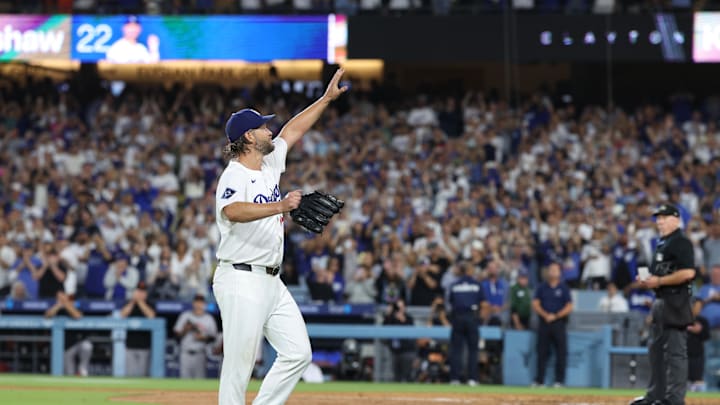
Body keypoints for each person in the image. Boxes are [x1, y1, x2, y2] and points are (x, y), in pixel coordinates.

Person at [212, 69, 347, 405]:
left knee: (298, 353)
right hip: (240, 277)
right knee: (239, 367)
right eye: (261, 126)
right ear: (247, 138)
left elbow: (293, 129)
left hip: (271, 280)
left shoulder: (269, 163)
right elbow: (232, 211)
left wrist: (326, 99)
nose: (269, 129)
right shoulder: (235, 174)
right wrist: (280, 206)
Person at [630, 204, 696, 405]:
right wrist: (647, 280)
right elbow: (657, 275)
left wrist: (658, 281)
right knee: (656, 351)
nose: (659, 221)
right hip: (660, 301)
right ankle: (655, 396)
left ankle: (674, 400)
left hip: (676, 300)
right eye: (658, 218)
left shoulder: (681, 242)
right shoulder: (662, 244)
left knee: (675, 353)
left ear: (676, 220)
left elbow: (688, 273)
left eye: (664, 217)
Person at [532, 262, 573, 388]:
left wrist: (556, 315)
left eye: (555, 270)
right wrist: (545, 315)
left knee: (561, 352)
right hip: (544, 323)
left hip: (559, 323)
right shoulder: (541, 287)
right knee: (541, 352)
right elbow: (535, 303)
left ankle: (559, 381)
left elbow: (569, 306)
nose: (553, 272)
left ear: (559, 272)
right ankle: (540, 381)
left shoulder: (564, 288)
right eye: (551, 269)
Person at [447, 262, 487, 386]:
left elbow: (451, 302)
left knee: (456, 350)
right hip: (472, 317)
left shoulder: (455, 285)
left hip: (458, 317)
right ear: (469, 271)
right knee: (473, 350)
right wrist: (480, 320)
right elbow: (484, 304)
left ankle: (455, 378)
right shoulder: (476, 285)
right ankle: (472, 379)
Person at [173, 294, 218, 378]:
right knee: (184, 381)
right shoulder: (185, 316)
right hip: (185, 353)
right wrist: (186, 329)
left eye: (201, 302)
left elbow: (213, 337)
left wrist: (203, 338)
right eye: (197, 302)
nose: (198, 305)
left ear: (204, 304)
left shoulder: (209, 318)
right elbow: (176, 336)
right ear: (193, 303)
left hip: (200, 354)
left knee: (200, 381)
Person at [120, 281, 156, 377]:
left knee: (143, 375)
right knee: (130, 375)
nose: (140, 293)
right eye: (139, 291)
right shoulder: (129, 303)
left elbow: (151, 316)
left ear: (146, 293)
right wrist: (133, 302)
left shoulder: (150, 303)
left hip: (145, 345)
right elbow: (122, 315)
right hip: (130, 344)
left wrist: (140, 302)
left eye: (143, 291)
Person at [382, 298, 416, 382]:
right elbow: (383, 329)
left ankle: (411, 393)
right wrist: (388, 314)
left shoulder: (408, 318)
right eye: (397, 307)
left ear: (405, 307)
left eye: (401, 307)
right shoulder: (391, 318)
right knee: (396, 376)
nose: (399, 309)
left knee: (408, 375)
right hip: (394, 351)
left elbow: (411, 332)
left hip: (407, 351)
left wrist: (403, 320)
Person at [694, 264, 720, 330]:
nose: (716, 276)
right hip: (705, 326)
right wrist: (710, 299)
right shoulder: (704, 288)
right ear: (711, 275)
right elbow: (696, 309)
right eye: (714, 274)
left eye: (718, 274)